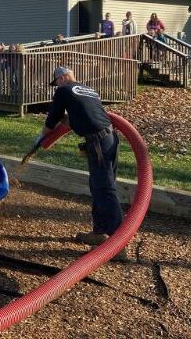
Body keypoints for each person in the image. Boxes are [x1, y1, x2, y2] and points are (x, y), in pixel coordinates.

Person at [34, 66, 127, 261]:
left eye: (57, 81)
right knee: (99, 186)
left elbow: (52, 119)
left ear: (63, 78)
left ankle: (118, 244)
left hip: (98, 141)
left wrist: (41, 138)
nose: (56, 85)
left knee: (104, 189)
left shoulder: (63, 90)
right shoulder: (87, 90)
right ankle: (100, 231)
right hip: (111, 139)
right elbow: (87, 113)